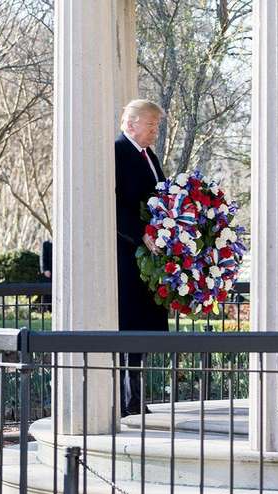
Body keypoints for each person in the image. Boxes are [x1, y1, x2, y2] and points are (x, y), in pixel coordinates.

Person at [115, 99, 169, 416]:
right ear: (132, 123)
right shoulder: (119, 152)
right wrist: (142, 234)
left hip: (148, 261)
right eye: (151, 125)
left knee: (144, 332)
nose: (155, 131)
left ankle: (135, 397)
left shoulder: (149, 156)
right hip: (129, 258)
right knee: (130, 328)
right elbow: (115, 204)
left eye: (156, 126)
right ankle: (127, 399)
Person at [39, 240, 52, 312]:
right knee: (47, 291)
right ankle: (45, 309)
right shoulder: (46, 244)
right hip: (49, 272)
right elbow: (43, 257)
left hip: (58, 271)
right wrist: (45, 269)